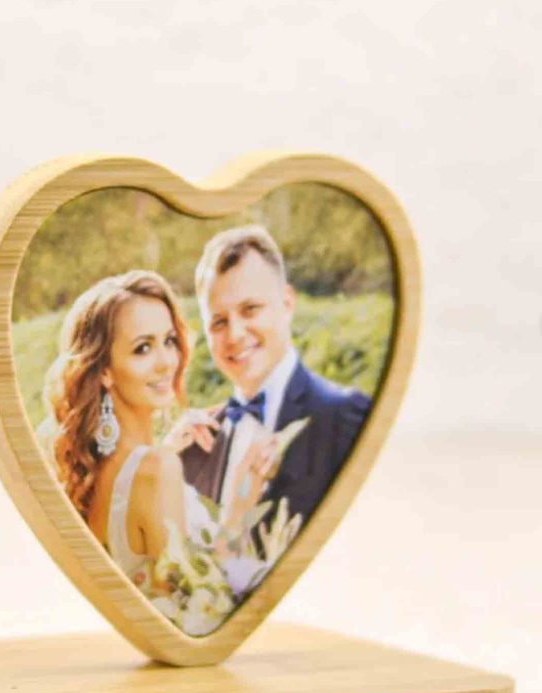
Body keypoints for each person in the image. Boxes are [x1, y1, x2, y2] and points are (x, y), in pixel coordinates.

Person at [173, 225, 372, 538]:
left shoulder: (345, 416)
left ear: (287, 303)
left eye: (250, 309)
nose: (235, 335)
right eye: (219, 322)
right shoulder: (196, 445)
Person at [43, 271, 195, 582]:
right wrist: (241, 504)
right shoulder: (157, 469)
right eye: (143, 348)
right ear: (105, 372)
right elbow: (189, 599)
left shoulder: (93, 475)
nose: (167, 361)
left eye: (169, 341)